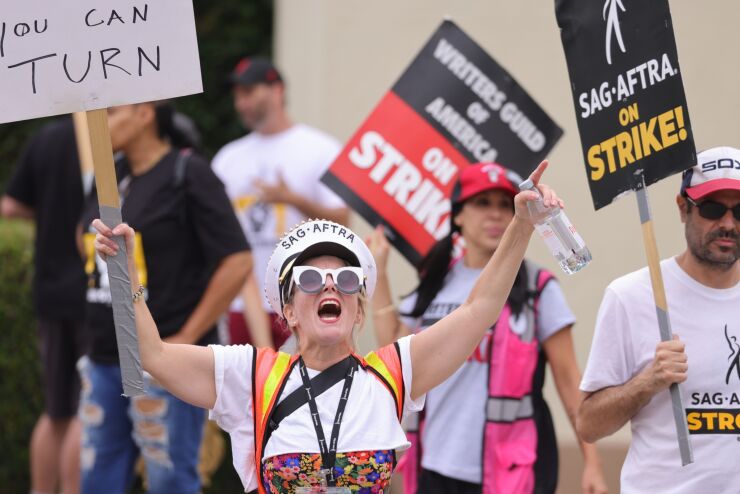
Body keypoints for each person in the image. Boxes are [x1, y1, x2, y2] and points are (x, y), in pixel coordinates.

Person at [91, 161, 561, 493]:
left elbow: (479, 309)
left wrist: (522, 226)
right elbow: (151, 355)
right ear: (289, 311)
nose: (329, 287)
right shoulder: (250, 376)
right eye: (311, 279)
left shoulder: (394, 372)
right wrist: (125, 273)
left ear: (359, 309)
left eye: (347, 280)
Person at [368, 163, 607, 494]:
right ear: (458, 215)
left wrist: (592, 464)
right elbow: (397, 358)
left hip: (510, 473)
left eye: (502, 204)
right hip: (433, 466)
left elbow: (569, 382)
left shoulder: (539, 288)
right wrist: (378, 269)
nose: (495, 214)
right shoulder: (435, 281)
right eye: (482, 203)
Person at [77, 101, 252, 494]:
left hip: (165, 360)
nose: (100, 125)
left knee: (169, 478)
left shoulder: (188, 173)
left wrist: (186, 337)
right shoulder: (110, 176)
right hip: (106, 355)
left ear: (145, 113)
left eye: (112, 113)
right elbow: (84, 236)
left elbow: (237, 261)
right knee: (97, 477)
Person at [578, 146, 740, 493]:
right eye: (712, 208)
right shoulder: (631, 296)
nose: (728, 224)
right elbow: (589, 424)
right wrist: (647, 382)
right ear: (683, 208)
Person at [212, 56, 349, 349]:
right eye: (237, 95)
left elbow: (343, 221)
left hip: (303, 295)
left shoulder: (319, 148)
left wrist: (291, 199)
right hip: (240, 303)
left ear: (277, 90)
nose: (241, 104)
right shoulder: (227, 158)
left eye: (249, 92)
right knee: (245, 391)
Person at [1, 117, 88, 494]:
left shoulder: (46, 138)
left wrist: (49, 213)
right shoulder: (110, 135)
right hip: (92, 294)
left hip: (50, 290)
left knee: (55, 410)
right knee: (88, 409)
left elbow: (10, 206)